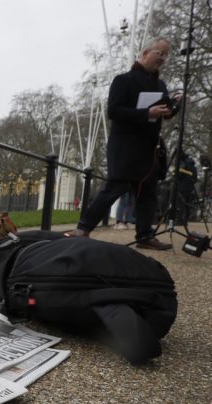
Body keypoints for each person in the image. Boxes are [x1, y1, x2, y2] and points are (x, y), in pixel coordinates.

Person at [68, 38, 179, 250]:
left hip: (149, 148)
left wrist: (176, 105)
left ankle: (145, 235)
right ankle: (83, 228)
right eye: (160, 53)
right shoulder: (123, 80)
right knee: (115, 188)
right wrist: (146, 112)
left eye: (166, 55)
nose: (163, 59)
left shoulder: (160, 85)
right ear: (146, 52)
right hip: (125, 146)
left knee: (148, 193)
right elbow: (114, 111)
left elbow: (165, 114)